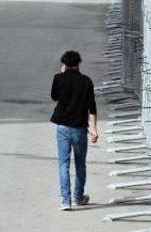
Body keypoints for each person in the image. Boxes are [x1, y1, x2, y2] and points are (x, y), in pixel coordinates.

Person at [50, 51, 98, 211]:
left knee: (63, 164)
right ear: (79, 64)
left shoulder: (58, 78)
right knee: (80, 165)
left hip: (62, 127)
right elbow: (92, 107)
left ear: (64, 64)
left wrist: (62, 76)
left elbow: (54, 97)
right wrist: (94, 129)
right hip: (79, 129)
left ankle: (65, 201)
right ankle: (78, 196)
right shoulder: (86, 81)